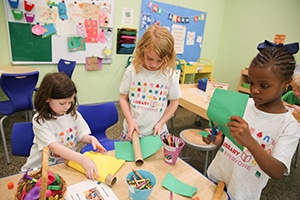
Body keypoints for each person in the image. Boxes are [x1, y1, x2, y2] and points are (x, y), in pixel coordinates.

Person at [203, 45, 300, 200]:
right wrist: (219, 139)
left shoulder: (289, 126)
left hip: (242, 194)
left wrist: (251, 142)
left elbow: (277, 171)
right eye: (251, 83)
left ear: (285, 83)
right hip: (216, 178)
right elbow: (230, 140)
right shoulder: (244, 104)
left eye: (264, 86)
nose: (254, 90)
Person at [21, 72, 106, 179]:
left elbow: (81, 135)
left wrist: (90, 139)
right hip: (40, 169)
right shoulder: (40, 120)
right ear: (47, 98)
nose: (67, 107)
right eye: (62, 103)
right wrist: (83, 159)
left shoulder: (73, 114)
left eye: (70, 102)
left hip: (65, 164)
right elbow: (54, 147)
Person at [119, 24, 181, 140]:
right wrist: (130, 121)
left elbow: (174, 102)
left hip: (157, 131)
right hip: (132, 129)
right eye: (150, 58)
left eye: (159, 60)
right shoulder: (132, 71)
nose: (153, 64)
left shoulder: (169, 75)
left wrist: (161, 123)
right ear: (142, 50)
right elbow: (123, 98)